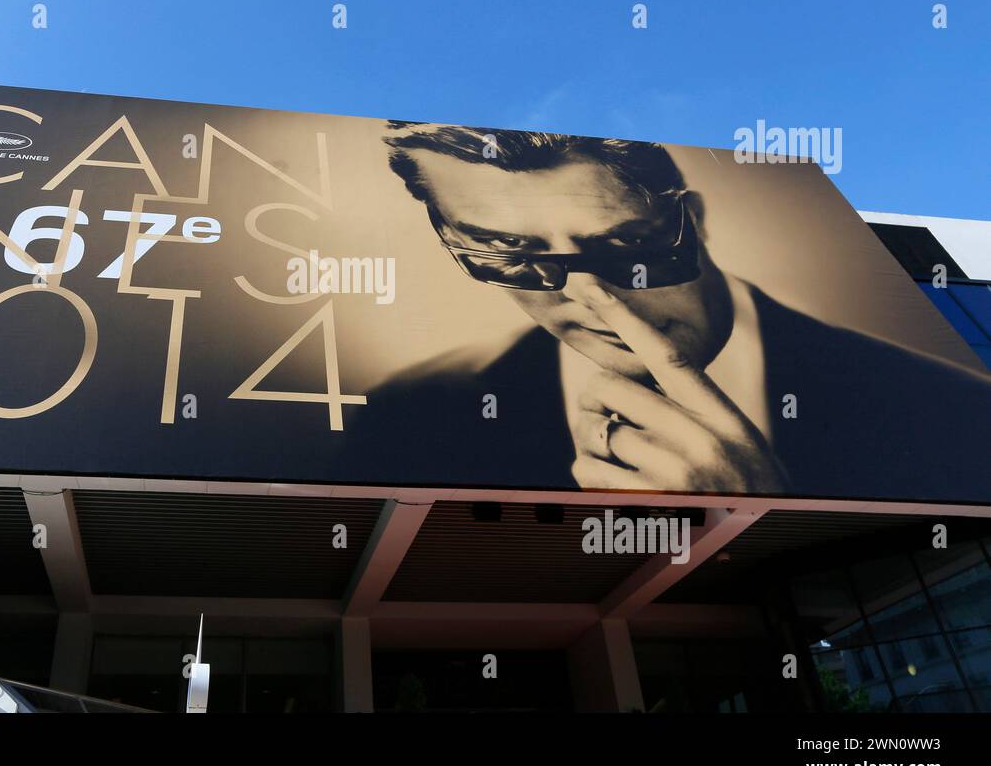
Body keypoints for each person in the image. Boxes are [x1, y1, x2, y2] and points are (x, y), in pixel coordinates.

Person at [348, 124, 991, 500]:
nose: (590, 297)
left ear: (695, 223)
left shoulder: (955, 412)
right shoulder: (403, 421)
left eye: (629, 245)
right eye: (506, 253)